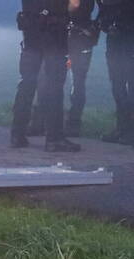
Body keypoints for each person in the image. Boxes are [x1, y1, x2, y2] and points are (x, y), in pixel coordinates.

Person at [11, 0, 82, 151]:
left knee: (26, 83)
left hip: (30, 32)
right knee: (54, 85)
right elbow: (75, 4)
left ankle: (17, 135)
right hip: (55, 34)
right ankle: (54, 139)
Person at [29, 0, 99, 138]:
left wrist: (54, 11)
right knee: (76, 81)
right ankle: (71, 124)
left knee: (48, 77)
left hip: (68, 34)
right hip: (79, 34)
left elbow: (75, 4)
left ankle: (41, 123)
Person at [99, 0, 134, 144]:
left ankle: (130, 131)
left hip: (130, 37)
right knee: (117, 85)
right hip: (115, 39)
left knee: (132, 86)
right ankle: (122, 127)